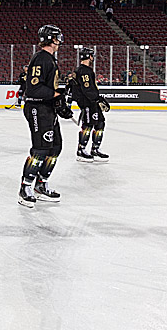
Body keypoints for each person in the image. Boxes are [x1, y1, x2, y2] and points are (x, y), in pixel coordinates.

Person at [18, 24, 72, 208]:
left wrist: (60, 104)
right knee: (41, 149)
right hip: (37, 109)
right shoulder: (41, 59)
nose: (60, 42)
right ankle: (25, 188)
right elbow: (34, 89)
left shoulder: (50, 59)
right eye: (57, 38)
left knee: (55, 147)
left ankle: (41, 184)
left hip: (47, 109)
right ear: (51, 39)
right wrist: (57, 95)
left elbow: (49, 89)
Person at [69, 47, 109, 161]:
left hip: (92, 102)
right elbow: (87, 89)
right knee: (88, 125)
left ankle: (95, 149)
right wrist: (97, 99)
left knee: (100, 123)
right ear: (89, 57)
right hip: (88, 103)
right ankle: (81, 150)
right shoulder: (84, 71)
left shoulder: (81, 70)